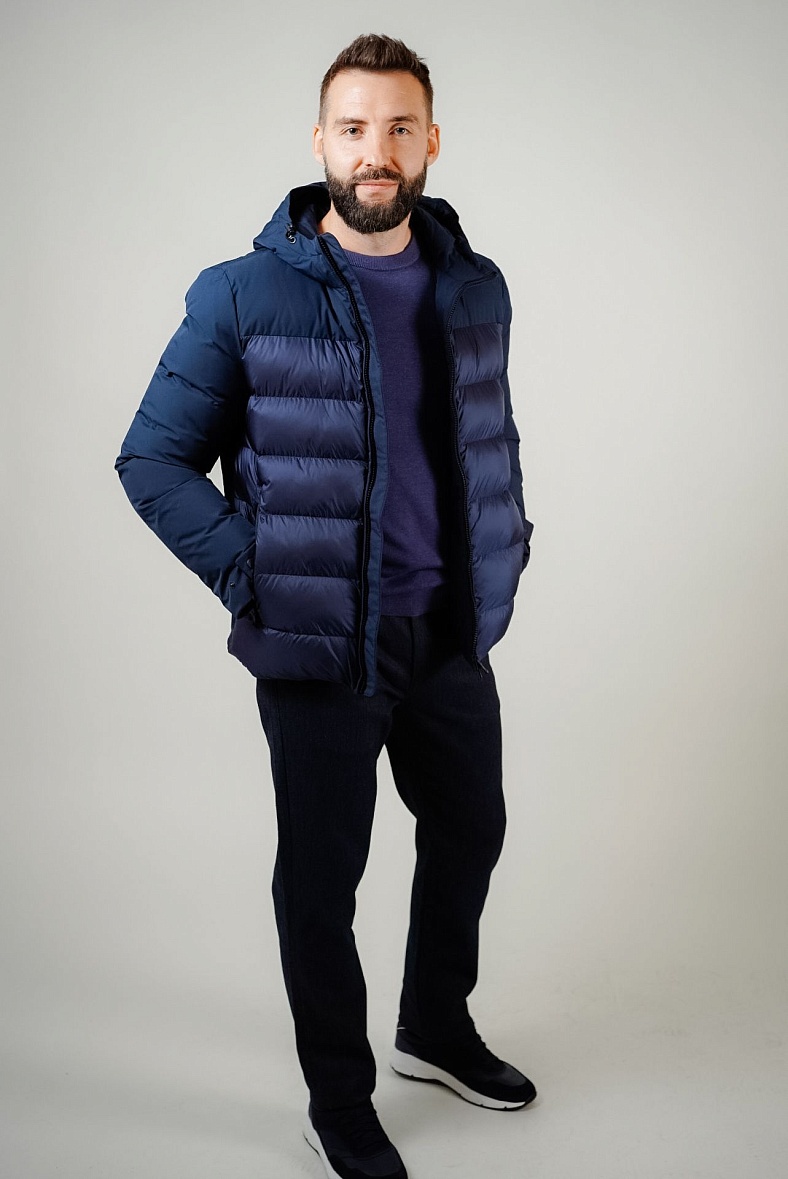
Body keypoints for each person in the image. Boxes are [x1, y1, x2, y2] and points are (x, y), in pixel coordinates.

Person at [115, 32, 536, 1179]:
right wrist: (256, 577)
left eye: (397, 127)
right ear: (319, 142)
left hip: (445, 630)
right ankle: (337, 1099)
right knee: (321, 880)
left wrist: (506, 548)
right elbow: (150, 459)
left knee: (471, 831)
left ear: (431, 140)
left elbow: (482, 438)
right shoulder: (242, 292)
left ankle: (432, 1029)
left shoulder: (473, 284)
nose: (374, 150)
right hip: (319, 648)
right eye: (352, 128)